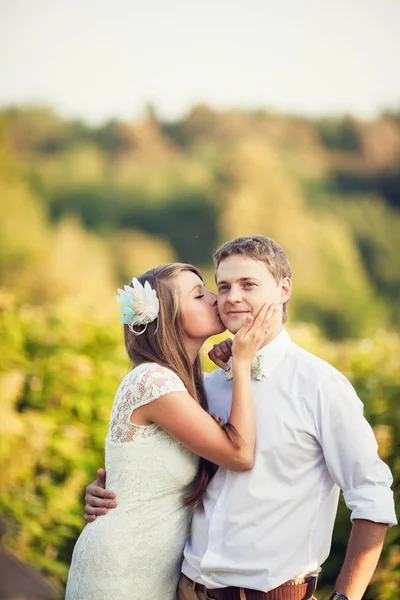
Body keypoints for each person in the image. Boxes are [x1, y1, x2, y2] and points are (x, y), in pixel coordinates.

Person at [85, 236, 397, 600]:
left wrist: (346, 597)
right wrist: (110, 494)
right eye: (223, 286)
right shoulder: (202, 389)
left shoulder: (321, 385)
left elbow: (371, 495)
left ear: (283, 289)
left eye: (248, 284)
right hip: (183, 590)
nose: (231, 297)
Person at [65, 262, 278, 600]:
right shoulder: (153, 381)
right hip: (121, 572)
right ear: (168, 317)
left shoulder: (183, 385)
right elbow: (239, 454)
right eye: (199, 294)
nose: (215, 298)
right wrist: (241, 360)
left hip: (151, 570)